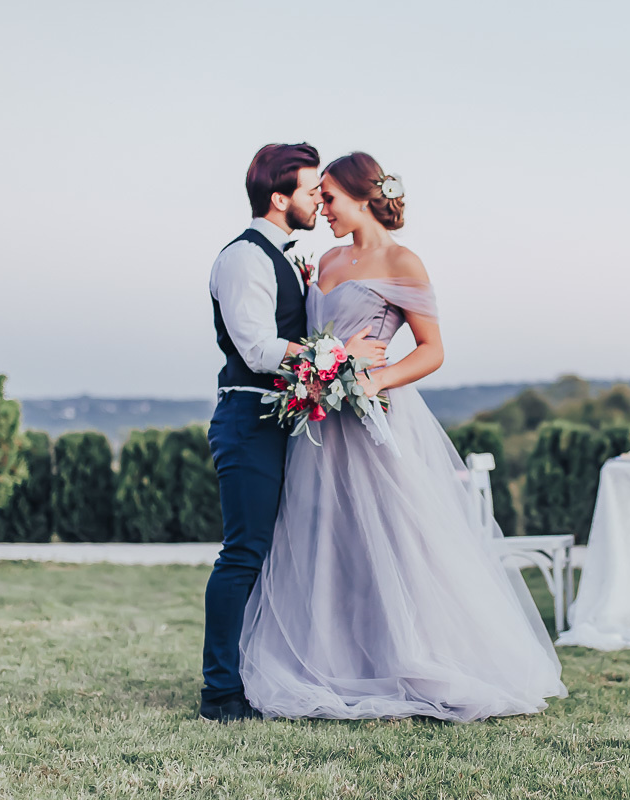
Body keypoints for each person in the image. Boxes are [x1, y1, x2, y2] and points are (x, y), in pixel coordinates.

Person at [238, 152, 567, 721]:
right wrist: (329, 369)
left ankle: (412, 658)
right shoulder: (327, 260)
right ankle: (340, 662)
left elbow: (433, 350)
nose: (324, 208)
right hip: (322, 425)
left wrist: (374, 380)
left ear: (362, 197)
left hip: (376, 420)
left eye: (331, 199)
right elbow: (317, 339)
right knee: (329, 544)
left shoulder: (403, 262)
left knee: (396, 542)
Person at [201, 143, 387, 722]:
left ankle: (266, 671)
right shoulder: (243, 259)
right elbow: (257, 349)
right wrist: (339, 355)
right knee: (245, 553)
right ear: (279, 199)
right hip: (249, 419)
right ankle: (220, 692)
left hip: (286, 420)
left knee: (283, 554)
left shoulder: (285, 258)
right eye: (311, 192)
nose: (318, 201)